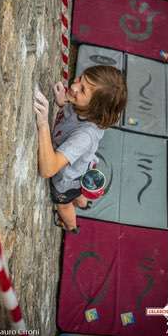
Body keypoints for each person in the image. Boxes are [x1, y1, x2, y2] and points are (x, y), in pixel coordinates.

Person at [33, 65, 127, 233]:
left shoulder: (84, 137)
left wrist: (42, 123)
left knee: (64, 205)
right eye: (79, 79)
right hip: (82, 167)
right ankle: (83, 201)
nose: (74, 86)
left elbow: (48, 169)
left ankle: (71, 226)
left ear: (94, 109)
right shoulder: (87, 110)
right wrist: (64, 102)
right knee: (78, 192)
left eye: (82, 90)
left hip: (68, 179)